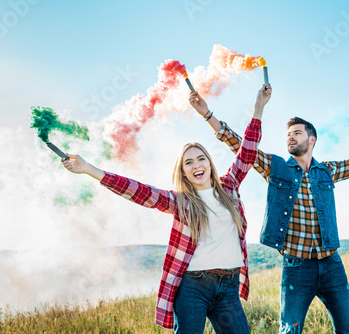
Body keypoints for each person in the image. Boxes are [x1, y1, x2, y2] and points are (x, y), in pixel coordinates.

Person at [189, 90, 349, 334]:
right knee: (289, 330)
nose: (290, 138)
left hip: (332, 264)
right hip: (296, 267)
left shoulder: (327, 171)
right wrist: (208, 114)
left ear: (311, 140)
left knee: (348, 329)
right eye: (288, 135)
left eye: (297, 133)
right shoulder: (276, 167)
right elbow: (241, 145)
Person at [61, 85, 271, 333]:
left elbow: (247, 151)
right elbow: (137, 191)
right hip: (193, 287)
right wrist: (89, 169)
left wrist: (258, 107)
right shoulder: (179, 201)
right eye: (189, 163)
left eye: (201, 158)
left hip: (228, 286)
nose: (196, 165)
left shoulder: (229, 187)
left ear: (210, 163)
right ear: (183, 172)